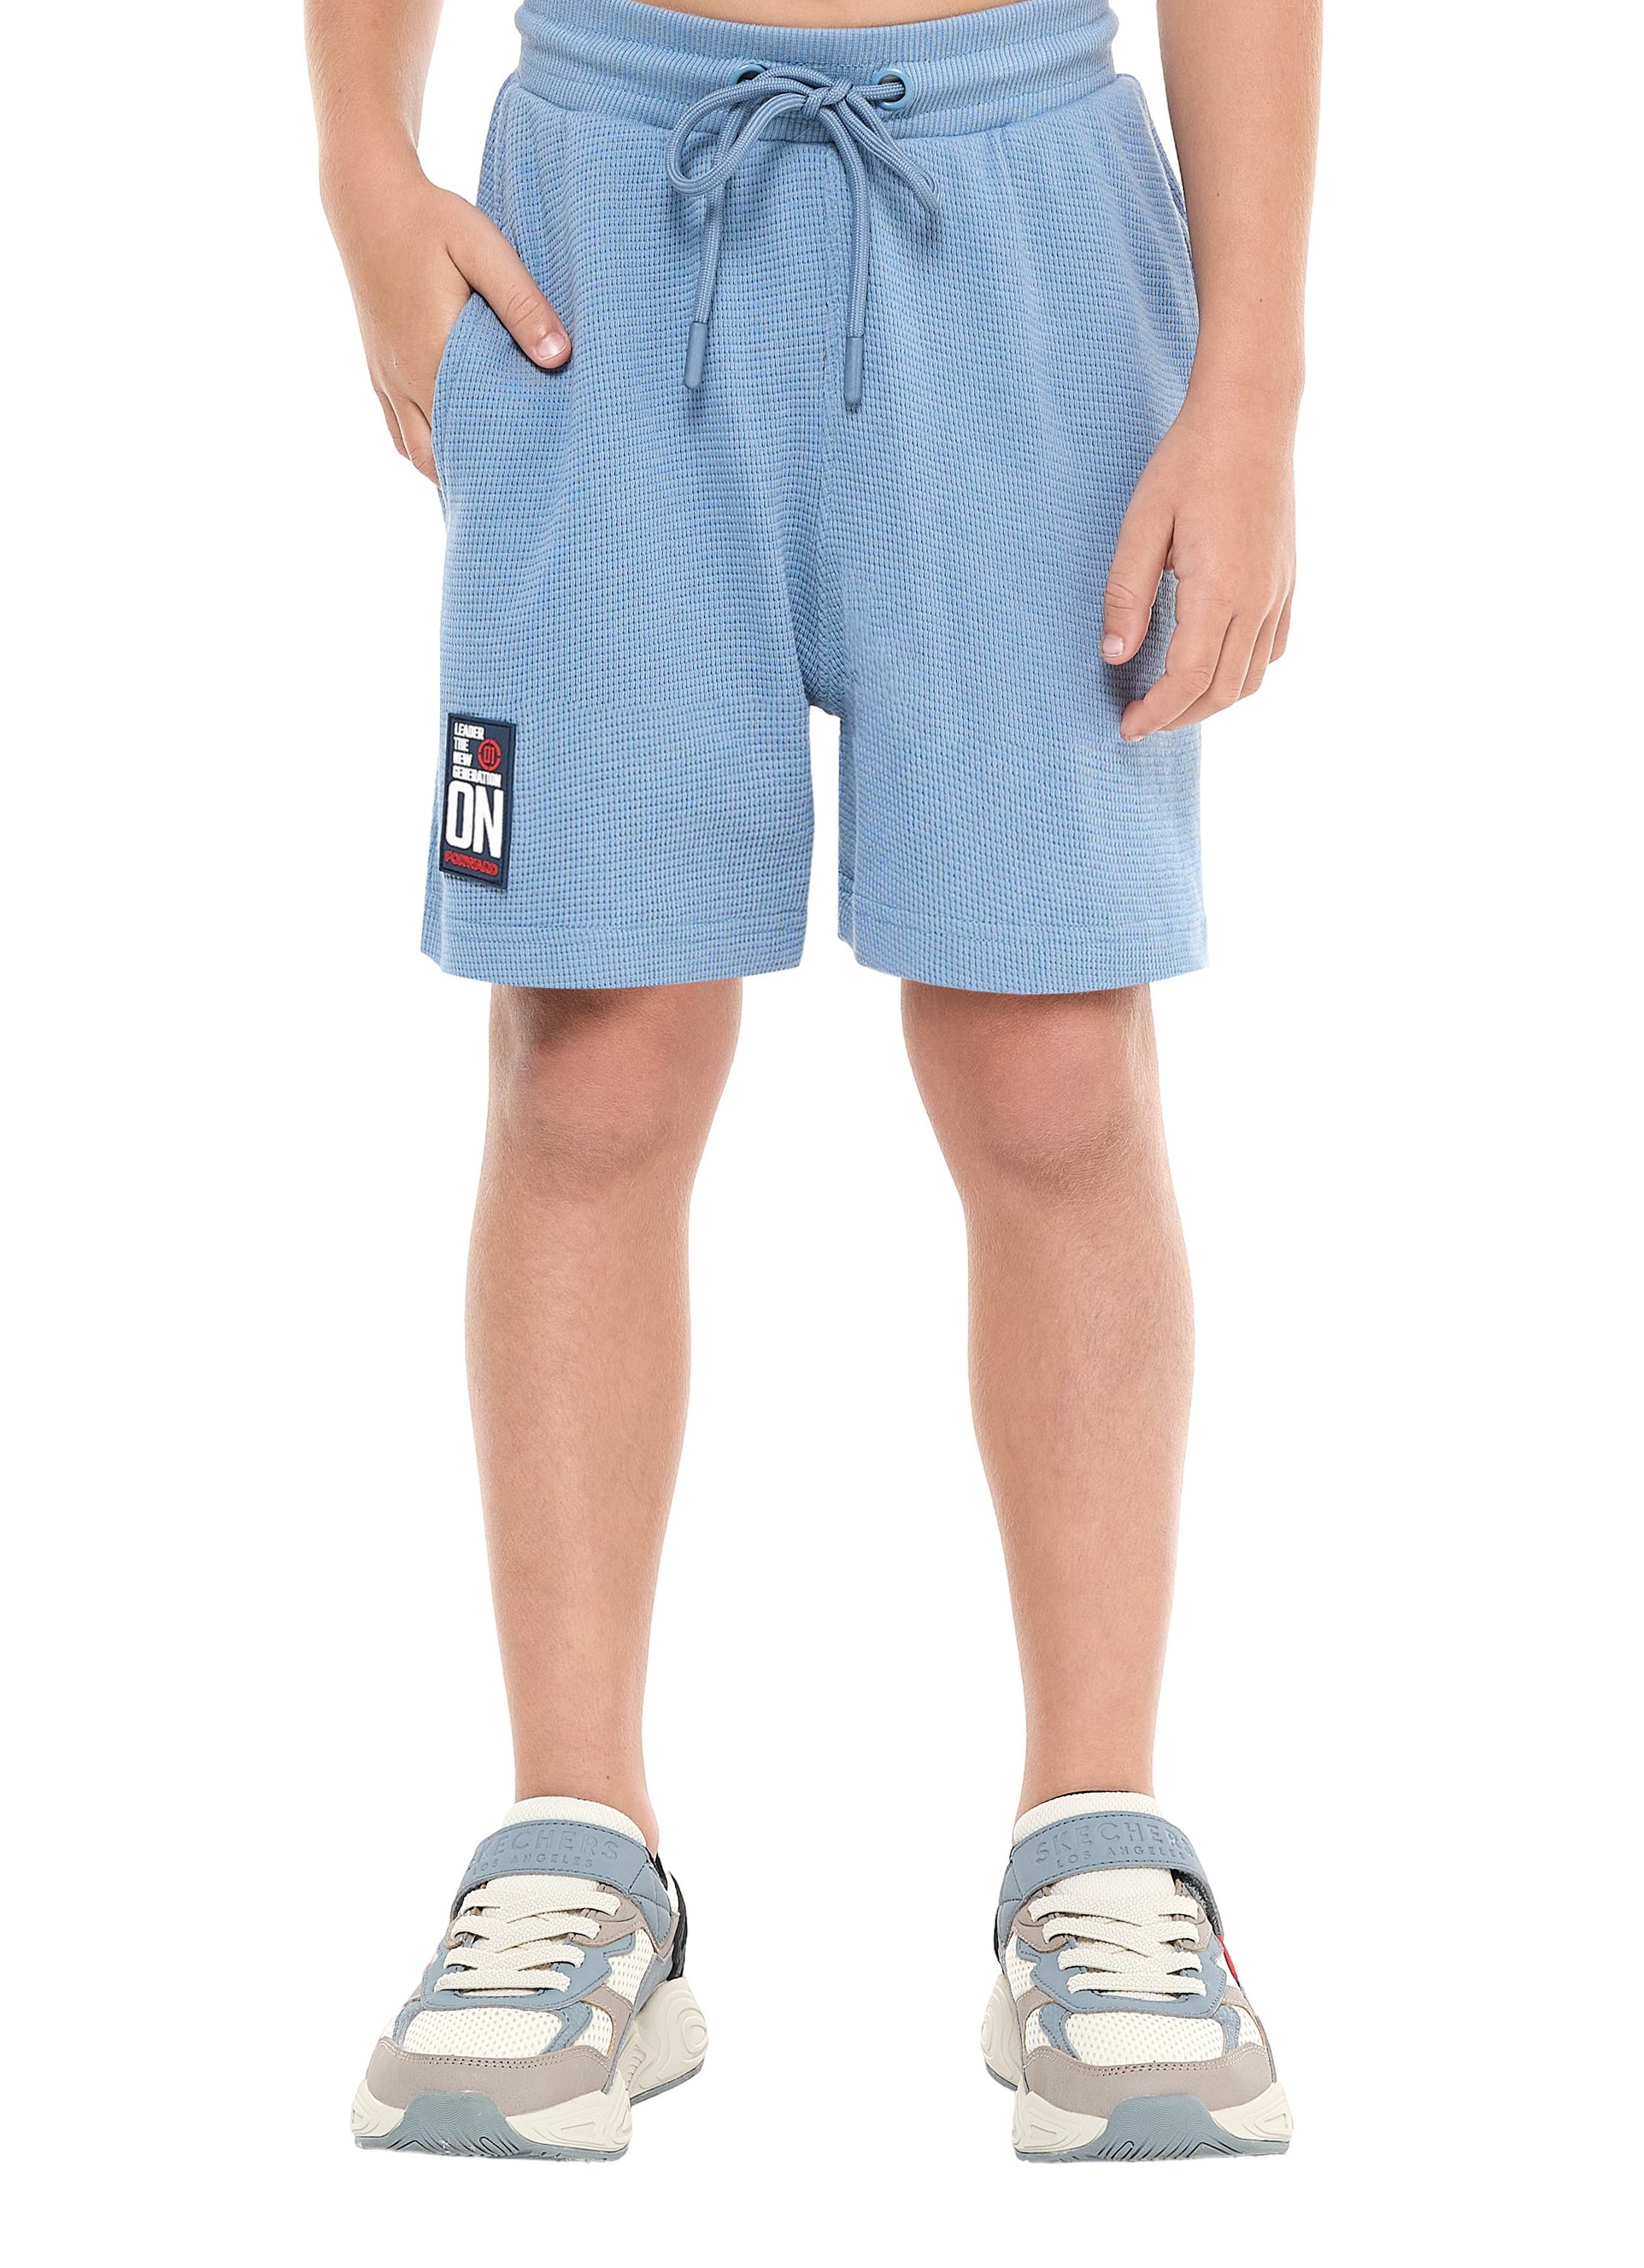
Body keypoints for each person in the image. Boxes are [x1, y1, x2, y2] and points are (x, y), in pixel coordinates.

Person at [309, 0, 1318, 2163]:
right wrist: (357, 158)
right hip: (603, 227)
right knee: (589, 1062)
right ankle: (579, 1848)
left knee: (1053, 1065)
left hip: (1023, 222)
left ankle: (1096, 1851)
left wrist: (1252, 382)